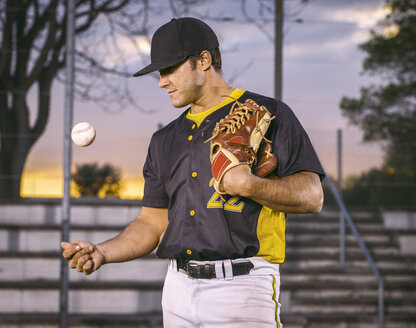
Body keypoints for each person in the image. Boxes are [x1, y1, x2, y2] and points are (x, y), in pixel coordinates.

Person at [61, 17, 324, 327]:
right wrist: (104, 252)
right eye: (160, 73)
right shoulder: (163, 140)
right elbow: (151, 222)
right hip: (177, 289)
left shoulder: (269, 113)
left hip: (242, 286)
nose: (162, 81)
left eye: (170, 69)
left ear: (203, 60)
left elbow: (313, 197)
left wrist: (250, 185)